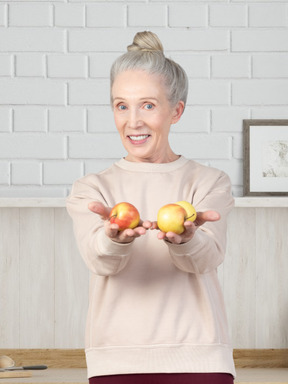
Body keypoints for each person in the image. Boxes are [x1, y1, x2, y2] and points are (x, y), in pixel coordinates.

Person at [67, 31, 236, 384]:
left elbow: (206, 258)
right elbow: (98, 260)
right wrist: (115, 239)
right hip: (116, 360)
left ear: (176, 111)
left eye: (148, 105)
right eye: (121, 105)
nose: (133, 121)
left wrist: (187, 239)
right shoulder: (92, 189)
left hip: (200, 358)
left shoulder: (208, 182)